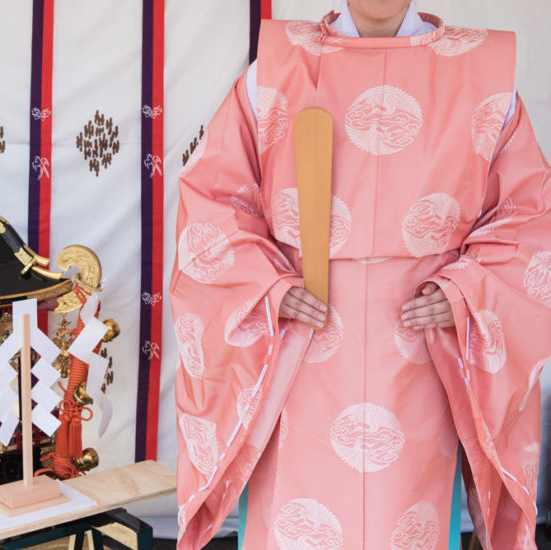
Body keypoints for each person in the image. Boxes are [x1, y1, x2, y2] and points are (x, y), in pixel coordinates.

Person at [170, 1, 551, 548]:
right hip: (304, 342)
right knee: (302, 519)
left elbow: (528, 216)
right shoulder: (277, 68)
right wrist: (267, 288)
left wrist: (469, 290)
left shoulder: (482, 72)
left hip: (421, 348)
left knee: (409, 518)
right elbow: (213, 198)